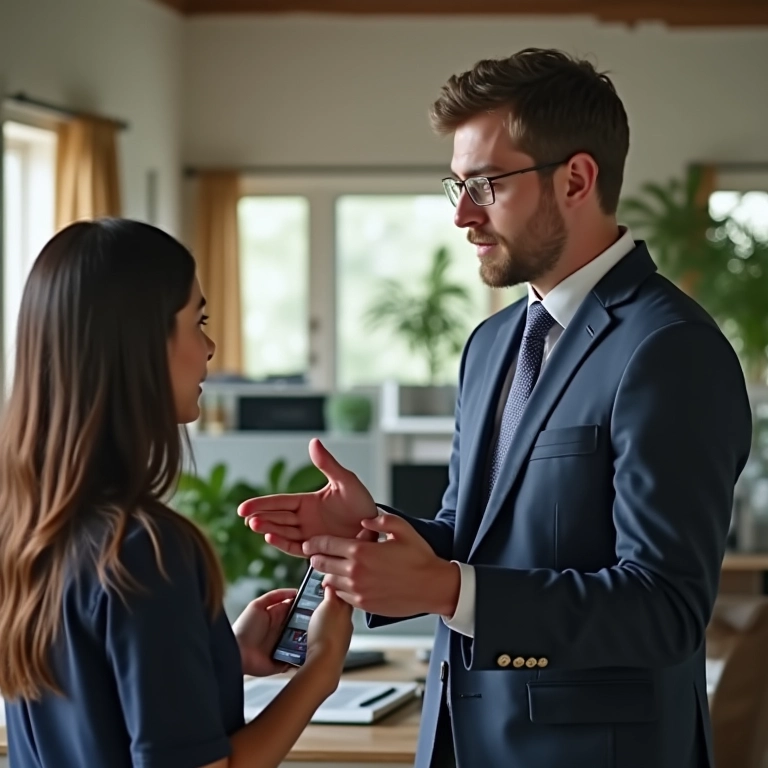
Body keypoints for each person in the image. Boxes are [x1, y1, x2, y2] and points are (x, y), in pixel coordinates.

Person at [239, 48, 753, 768]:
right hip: (457, 740)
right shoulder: (492, 343)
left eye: (485, 184)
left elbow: (663, 608)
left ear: (576, 178)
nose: (463, 215)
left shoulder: (670, 350)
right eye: (456, 185)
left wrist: (446, 588)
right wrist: (373, 533)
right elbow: (473, 536)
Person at [0, 219, 353, 768]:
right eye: (198, 321)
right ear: (139, 343)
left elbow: (94, 699)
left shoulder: (26, 524)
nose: (210, 347)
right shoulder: (143, 549)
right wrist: (321, 670)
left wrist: (217, 657)